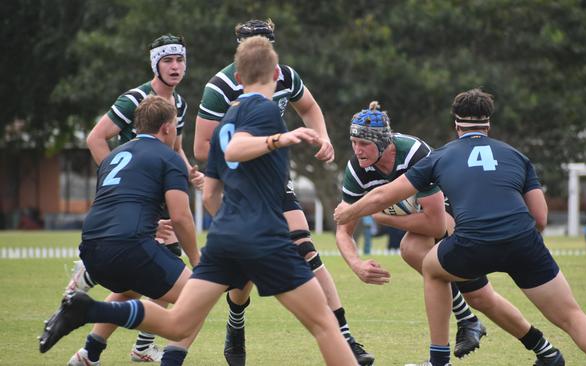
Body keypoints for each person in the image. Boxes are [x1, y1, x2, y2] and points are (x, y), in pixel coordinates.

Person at [40, 36, 358, 366]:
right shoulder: (263, 110)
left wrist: (230, 226)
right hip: (264, 236)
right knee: (324, 324)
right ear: (277, 75)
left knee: (178, 322)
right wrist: (281, 138)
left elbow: (209, 194)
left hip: (224, 239)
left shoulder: (225, 121)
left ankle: (91, 308)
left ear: (238, 79)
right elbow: (238, 148)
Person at [334, 89, 586, 366]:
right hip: (522, 240)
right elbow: (541, 218)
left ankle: (440, 359)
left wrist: (355, 212)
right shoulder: (516, 156)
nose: (357, 150)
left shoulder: (438, 156)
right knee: (569, 314)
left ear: (456, 124)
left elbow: (392, 200)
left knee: (430, 267)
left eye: (364, 144)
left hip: (472, 241)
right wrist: (521, 243)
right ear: (489, 124)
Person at [193, 19, 373, 365]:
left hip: (274, 181)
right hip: (240, 185)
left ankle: (345, 336)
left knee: (305, 247)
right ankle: (236, 320)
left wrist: (321, 137)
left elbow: (309, 108)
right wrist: (261, 145)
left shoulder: (284, 77)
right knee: (243, 267)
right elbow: (203, 148)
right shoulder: (220, 87)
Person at [64, 33, 204, 364]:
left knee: (138, 283)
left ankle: (95, 351)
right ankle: (138, 348)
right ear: (155, 64)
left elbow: (175, 148)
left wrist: (188, 171)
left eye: (179, 59)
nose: (174, 66)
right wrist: (124, 188)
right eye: (167, 60)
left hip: (150, 200)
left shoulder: (179, 103)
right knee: (184, 286)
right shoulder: (135, 98)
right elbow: (96, 138)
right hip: (139, 205)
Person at [41, 95, 201, 366]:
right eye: (175, 124)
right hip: (128, 247)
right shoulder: (168, 157)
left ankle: (87, 355)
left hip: (91, 249)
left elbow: (116, 204)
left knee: (129, 288)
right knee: (197, 298)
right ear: (166, 127)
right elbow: (182, 217)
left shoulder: (114, 155)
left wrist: (150, 227)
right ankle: (168, 361)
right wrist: (198, 262)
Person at [337, 101, 492, 358]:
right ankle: (538, 348)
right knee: (414, 250)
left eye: (364, 143)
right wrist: (356, 264)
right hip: (426, 222)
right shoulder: (357, 169)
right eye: (353, 142)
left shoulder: (414, 154)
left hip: (458, 214)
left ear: (384, 143)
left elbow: (436, 223)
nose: (357, 150)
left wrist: (385, 219)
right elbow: (343, 229)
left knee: (481, 297)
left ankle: (473, 324)